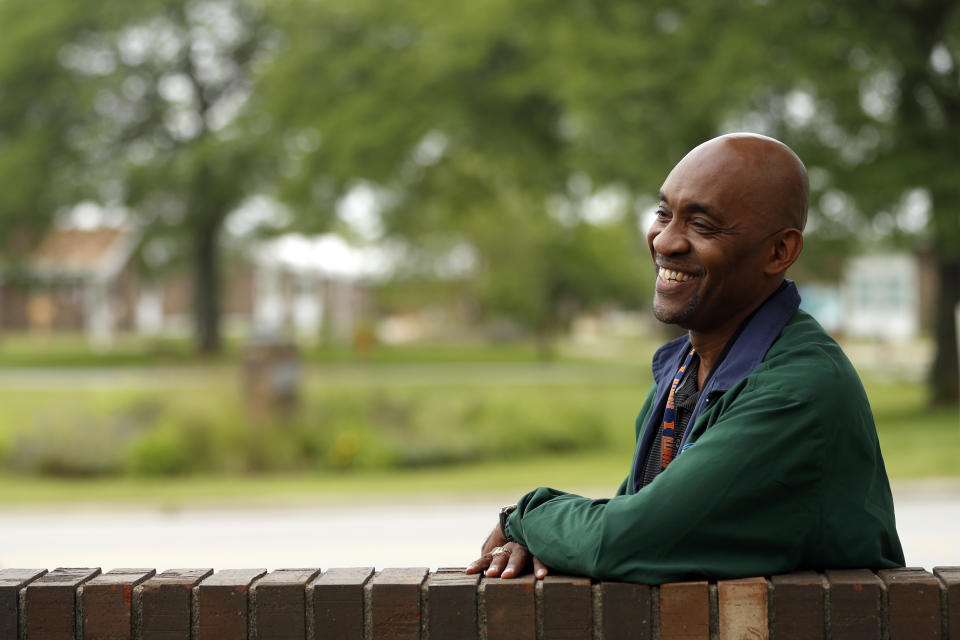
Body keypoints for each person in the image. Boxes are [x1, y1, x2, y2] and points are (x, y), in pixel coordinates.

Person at [466, 133, 905, 584]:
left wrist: (523, 517)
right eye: (663, 213)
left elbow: (624, 540)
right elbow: (633, 518)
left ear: (779, 252)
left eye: (703, 226)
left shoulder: (795, 390)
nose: (666, 241)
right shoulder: (683, 370)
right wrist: (541, 541)